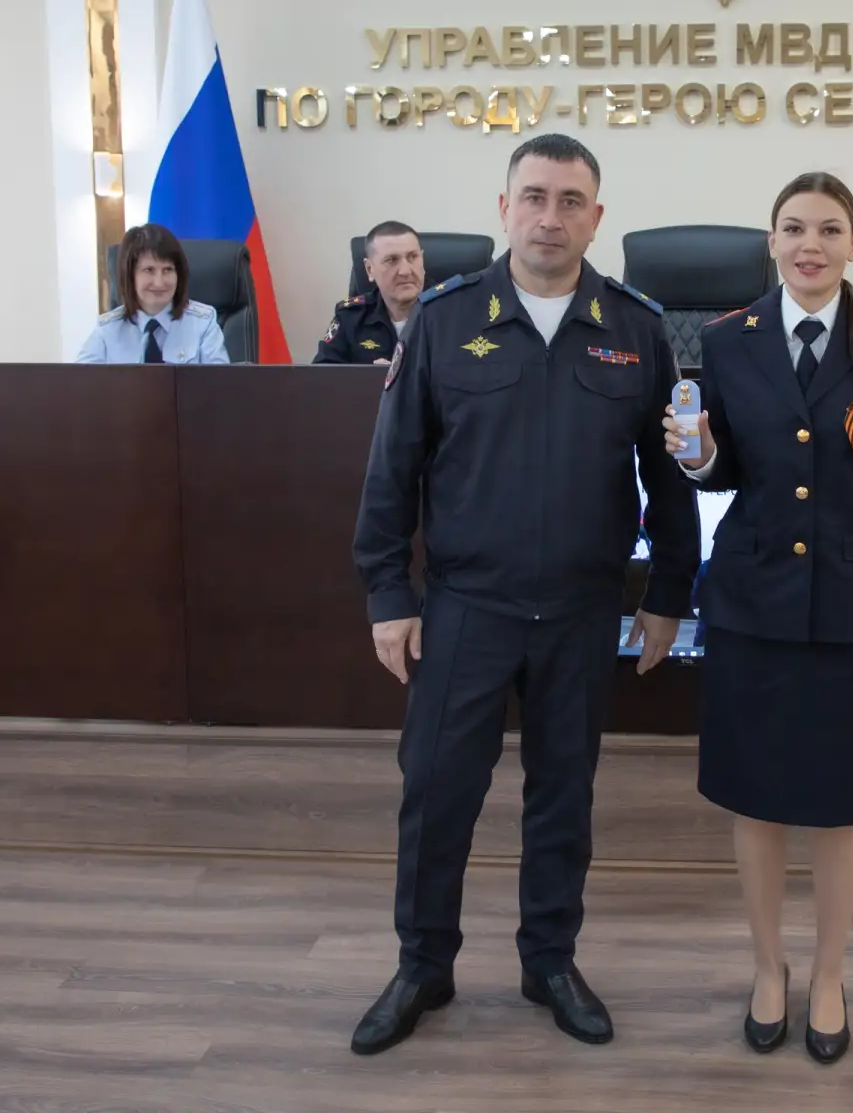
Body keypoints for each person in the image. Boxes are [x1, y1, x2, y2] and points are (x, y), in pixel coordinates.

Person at [350, 134, 700, 1056]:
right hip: (468, 604)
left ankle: (549, 960)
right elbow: (392, 469)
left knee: (563, 796)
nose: (551, 217)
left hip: (582, 609)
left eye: (571, 200)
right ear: (504, 208)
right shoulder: (443, 320)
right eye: (535, 197)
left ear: (597, 216)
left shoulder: (635, 328)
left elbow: (668, 478)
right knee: (436, 793)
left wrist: (668, 592)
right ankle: (422, 964)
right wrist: (389, 593)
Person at [662, 171, 853, 1065]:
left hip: (850, 605)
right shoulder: (728, 340)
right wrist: (700, 457)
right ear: (772, 242)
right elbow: (722, 469)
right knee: (755, 799)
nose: (810, 244)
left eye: (829, 229)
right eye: (794, 228)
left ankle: (829, 976)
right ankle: (769, 969)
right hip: (751, 601)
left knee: (839, 804)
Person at [74, 224, 228, 364]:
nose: (159, 283)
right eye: (149, 270)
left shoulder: (203, 324)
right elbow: (79, 381)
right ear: (130, 275)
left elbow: (221, 383)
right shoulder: (107, 330)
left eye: (167, 270)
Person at [314, 221, 425, 364]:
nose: (405, 271)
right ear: (369, 269)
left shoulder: (449, 313)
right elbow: (322, 373)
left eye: (413, 257)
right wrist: (369, 376)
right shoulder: (350, 317)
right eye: (391, 260)